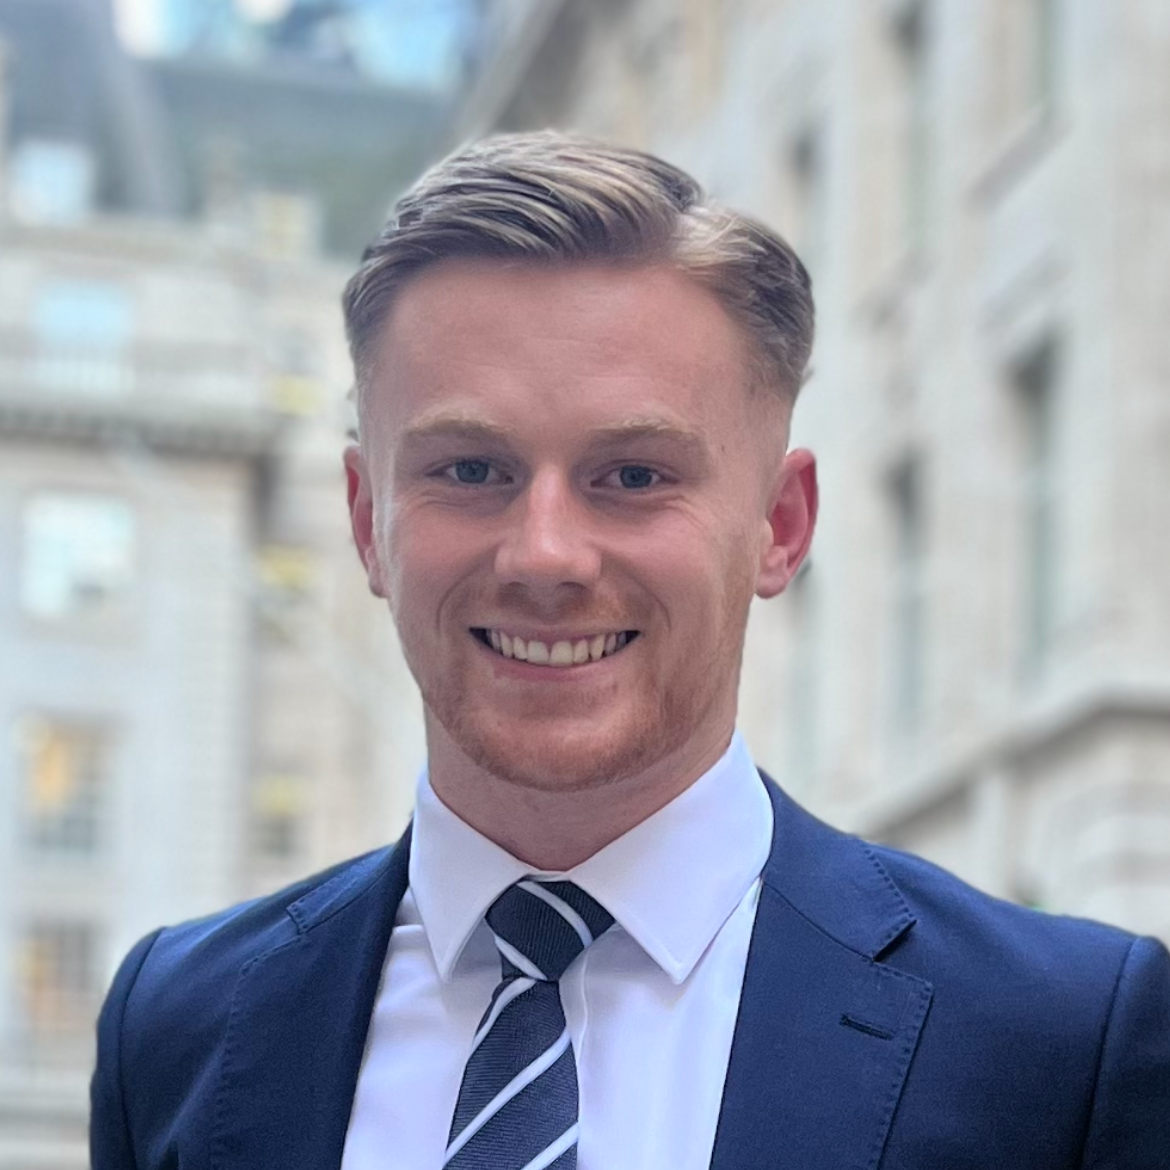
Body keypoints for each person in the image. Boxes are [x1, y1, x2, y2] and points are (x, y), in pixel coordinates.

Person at [90, 132, 1170, 1170]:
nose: (546, 555)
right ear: (369, 520)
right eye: (471, 470)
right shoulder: (178, 1027)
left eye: (635, 476)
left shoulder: (1061, 1046)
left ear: (780, 525)